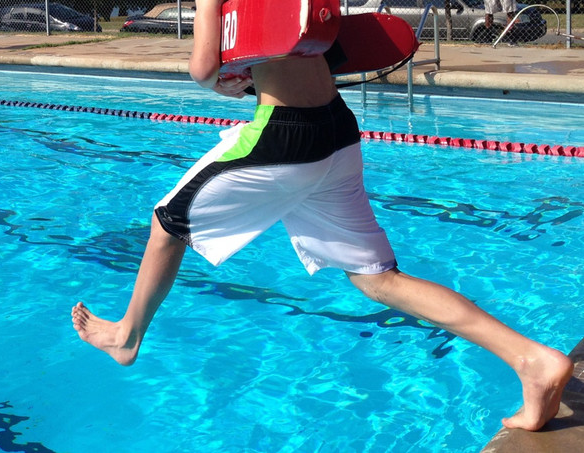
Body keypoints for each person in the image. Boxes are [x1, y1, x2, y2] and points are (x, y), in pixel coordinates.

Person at [71, 0, 573, 432]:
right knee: (379, 280)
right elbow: (313, 47)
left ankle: (126, 336)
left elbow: (204, 69)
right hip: (335, 126)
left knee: (167, 222)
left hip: (284, 136)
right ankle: (531, 359)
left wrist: (226, 76)